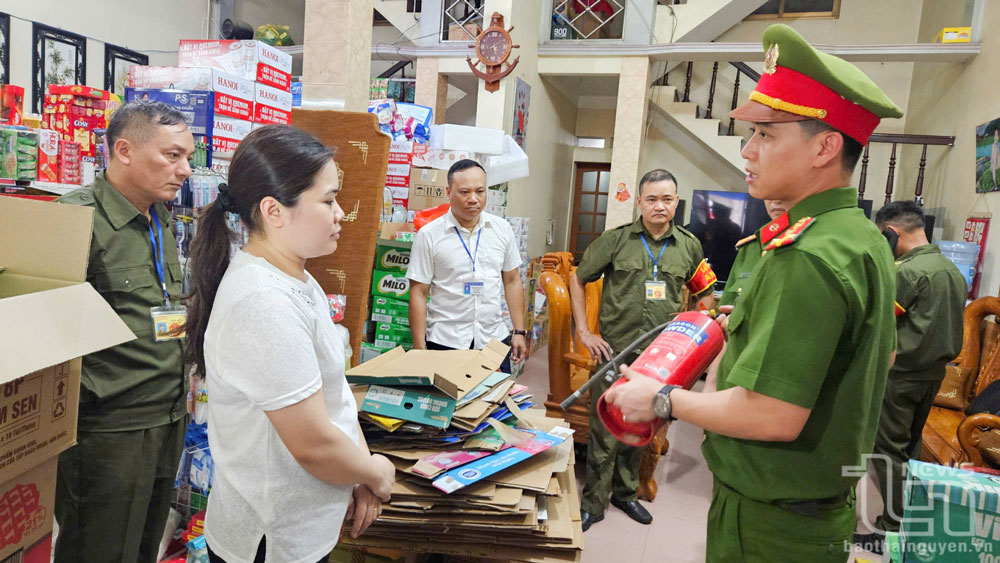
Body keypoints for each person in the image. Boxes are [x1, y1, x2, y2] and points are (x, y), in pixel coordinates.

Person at [605, 24, 901, 562]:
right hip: (807, 507)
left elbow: (773, 415)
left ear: (825, 147)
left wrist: (661, 399)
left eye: (766, 134)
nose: (748, 151)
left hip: (773, 523)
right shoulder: (858, 237)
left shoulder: (808, 255)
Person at [183, 125, 396, 563]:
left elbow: (333, 396)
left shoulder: (296, 277)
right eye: (328, 200)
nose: (340, 214)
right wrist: (377, 472)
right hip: (269, 540)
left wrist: (356, 468)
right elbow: (313, 444)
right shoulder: (263, 303)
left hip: (300, 525)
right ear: (274, 210)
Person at [54, 102, 194, 563]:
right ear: (124, 150)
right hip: (108, 432)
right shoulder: (74, 220)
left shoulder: (159, 217)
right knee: (99, 549)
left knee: (142, 547)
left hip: (168, 418)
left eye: (188, 157)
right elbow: (43, 331)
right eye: (172, 155)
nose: (185, 169)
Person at [573, 168, 716, 531]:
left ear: (676, 202)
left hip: (658, 361)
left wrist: (691, 347)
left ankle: (626, 494)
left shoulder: (688, 245)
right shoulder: (616, 240)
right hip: (613, 351)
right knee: (604, 428)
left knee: (641, 426)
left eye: (667, 199)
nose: (659, 206)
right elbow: (578, 278)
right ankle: (593, 502)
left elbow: (705, 297)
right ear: (639, 202)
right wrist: (584, 331)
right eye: (651, 199)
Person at [853, 201, 966, 554]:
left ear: (891, 232)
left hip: (900, 375)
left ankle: (889, 529)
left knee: (888, 451)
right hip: (933, 375)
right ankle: (908, 520)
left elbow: (880, 322)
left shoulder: (906, 272)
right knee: (911, 449)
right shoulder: (950, 269)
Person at [406, 159, 527, 373]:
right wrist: (419, 349)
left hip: (493, 340)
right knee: (448, 405)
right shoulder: (429, 235)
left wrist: (519, 331)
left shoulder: (502, 229)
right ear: (448, 192)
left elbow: (512, 280)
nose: (473, 199)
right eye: (464, 192)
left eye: (480, 191)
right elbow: (419, 292)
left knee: (494, 403)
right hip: (446, 342)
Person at [717, 199, 787, 308]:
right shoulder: (750, 247)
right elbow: (725, 306)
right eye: (768, 190)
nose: (776, 199)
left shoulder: (814, 244)